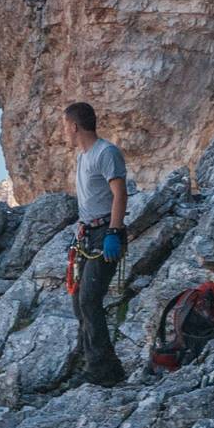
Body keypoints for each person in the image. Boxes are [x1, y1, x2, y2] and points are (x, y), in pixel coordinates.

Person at [64, 101, 128, 387]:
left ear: (74, 126)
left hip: (106, 233)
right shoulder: (83, 157)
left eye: (65, 126)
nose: (64, 131)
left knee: (90, 298)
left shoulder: (106, 153)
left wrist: (114, 231)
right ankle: (98, 363)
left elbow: (120, 193)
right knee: (80, 301)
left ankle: (103, 371)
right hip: (88, 234)